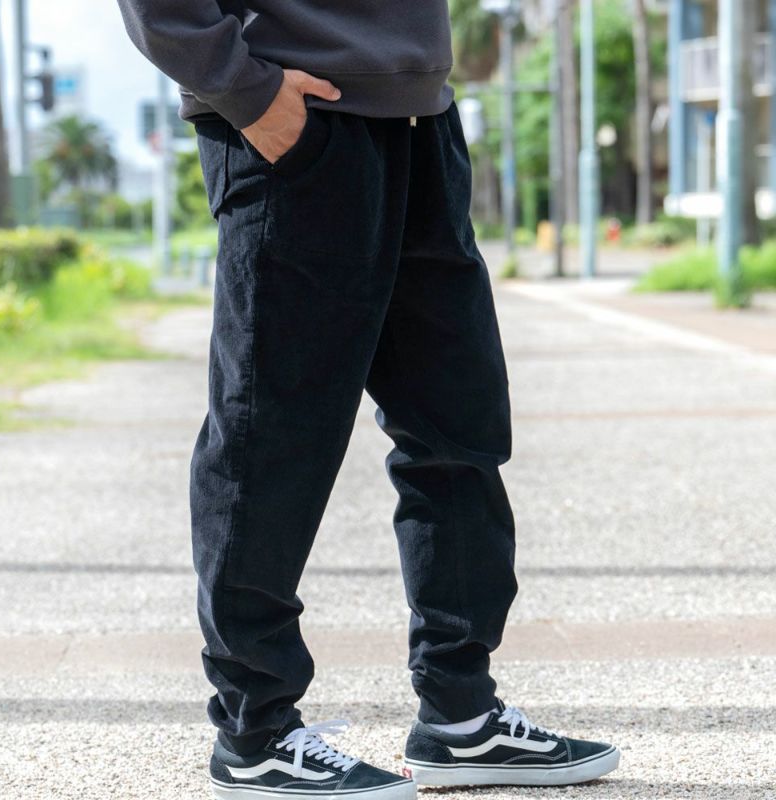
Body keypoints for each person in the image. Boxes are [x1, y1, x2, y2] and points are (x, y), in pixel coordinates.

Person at [116, 2, 620, 798]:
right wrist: (244, 89)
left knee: (458, 427)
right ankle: (255, 730)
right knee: (271, 434)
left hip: (420, 119)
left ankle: (460, 714)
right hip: (300, 119)